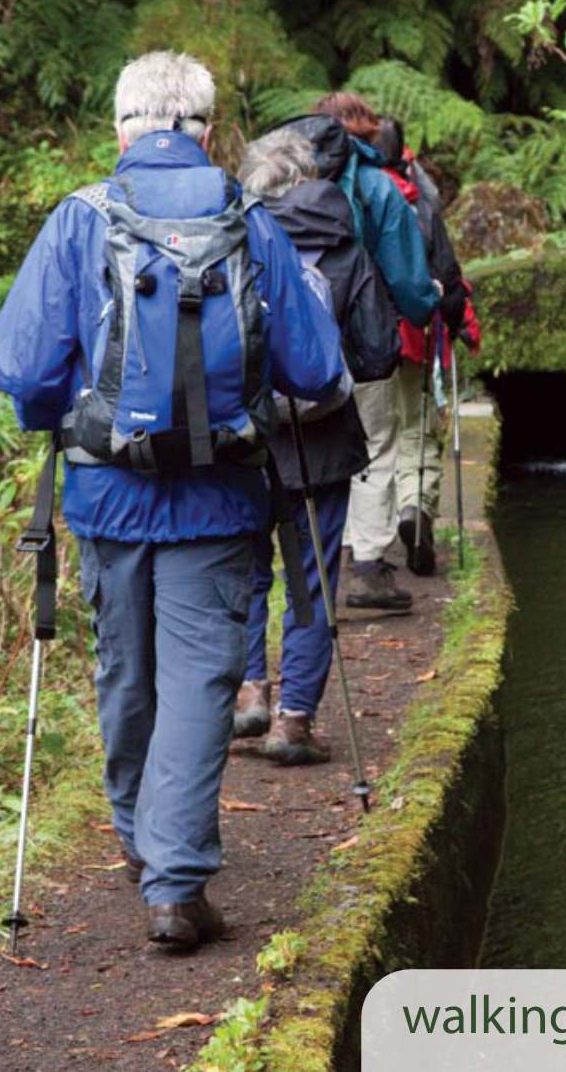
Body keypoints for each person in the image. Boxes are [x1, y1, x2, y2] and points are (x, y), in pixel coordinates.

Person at [0, 51, 344, 952]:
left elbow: (25, 371)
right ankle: (174, 884)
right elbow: (312, 366)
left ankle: (143, 845)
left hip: (108, 496)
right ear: (204, 127)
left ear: (122, 128)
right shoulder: (251, 220)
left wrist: (66, 421)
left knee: (126, 671)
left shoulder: (80, 220)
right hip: (221, 502)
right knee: (198, 682)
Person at [233, 128, 399, 762]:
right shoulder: (344, 246)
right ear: (308, 179)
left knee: (248, 572)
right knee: (312, 582)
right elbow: (380, 351)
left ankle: (249, 691)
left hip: (246, 438)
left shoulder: (233, 240)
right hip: (322, 441)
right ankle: (293, 722)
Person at [277, 97, 439, 611]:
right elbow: (408, 277)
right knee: (375, 445)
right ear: (364, 138)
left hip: (290, 338)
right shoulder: (376, 186)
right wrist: (426, 305)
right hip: (362, 333)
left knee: (299, 444)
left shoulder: (275, 175)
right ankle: (367, 567)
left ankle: (308, 566)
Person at [375, 118, 480, 574]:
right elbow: (449, 276)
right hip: (413, 336)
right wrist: (456, 321)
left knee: (374, 436)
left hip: (360, 343)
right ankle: (415, 509)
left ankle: (367, 543)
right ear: (403, 154)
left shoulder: (344, 196)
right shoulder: (419, 204)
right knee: (418, 433)